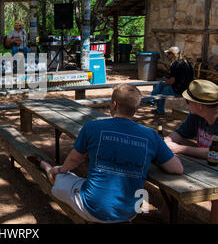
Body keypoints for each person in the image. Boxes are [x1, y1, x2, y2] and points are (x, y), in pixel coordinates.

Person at [27, 83, 183, 223]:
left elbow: (74, 160)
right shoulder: (151, 136)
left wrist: (60, 169)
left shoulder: (92, 127)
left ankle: (46, 166)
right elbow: (177, 169)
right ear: (136, 108)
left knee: (59, 176)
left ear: (113, 105)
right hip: (131, 209)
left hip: (92, 208)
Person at [163, 79, 217, 223]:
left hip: (212, 170)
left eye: (188, 101)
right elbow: (177, 135)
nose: (185, 104)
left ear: (199, 105)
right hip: (207, 168)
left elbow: (215, 153)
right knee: (169, 177)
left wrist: (180, 149)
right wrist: (166, 143)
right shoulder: (195, 117)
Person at [149, 46, 194, 115]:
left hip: (178, 89)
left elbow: (172, 81)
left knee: (161, 89)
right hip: (187, 88)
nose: (167, 55)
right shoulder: (186, 62)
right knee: (162, 84)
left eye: (169, 53)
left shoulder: (175, 64)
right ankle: (151, 99)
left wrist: (165, 82)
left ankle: (154, 104)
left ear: (173, 54)